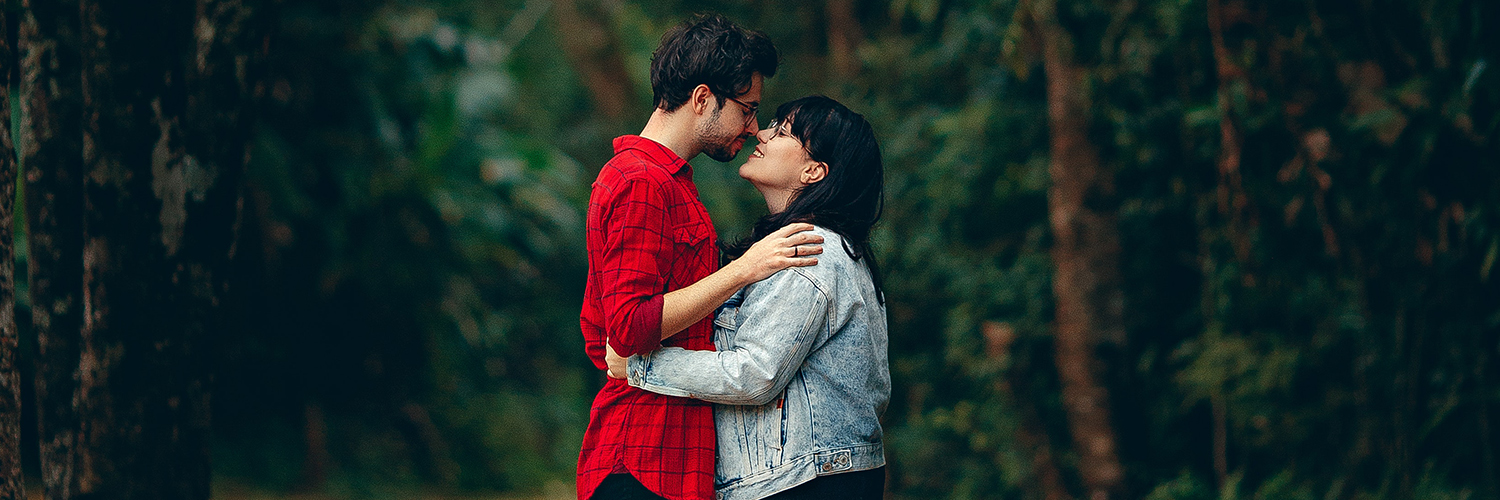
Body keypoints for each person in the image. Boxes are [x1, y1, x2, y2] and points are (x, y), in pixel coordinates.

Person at [578, 14, 826, 500]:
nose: (755, 128)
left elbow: (599, 330)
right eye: (748, 109)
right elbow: (625, 328)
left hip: (677, 461)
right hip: (642, 460)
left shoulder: (670, 183)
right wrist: (743, 270)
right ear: (702, 99)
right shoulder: (641, 182)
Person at [608, 95, 889, 500]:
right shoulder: (805, 250)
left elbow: (753, 374)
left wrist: (640, 366)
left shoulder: (808, 251)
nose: (761, 132)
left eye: (784, 130)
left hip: (806, 482)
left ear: (814, 171)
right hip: (817, 476)